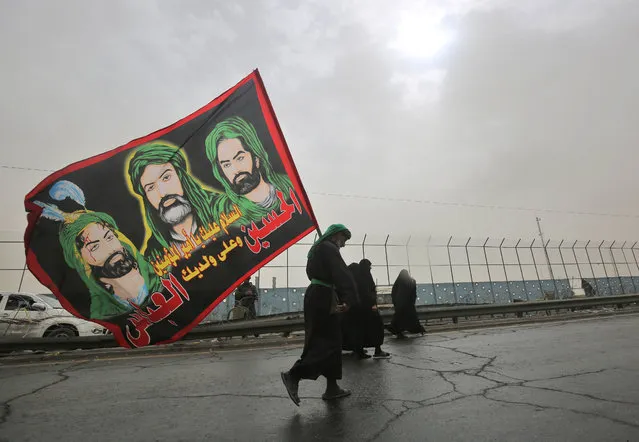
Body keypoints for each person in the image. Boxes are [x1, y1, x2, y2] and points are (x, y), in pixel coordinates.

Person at [280, 224, 359, 406]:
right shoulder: (328, 248)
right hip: (322, 297)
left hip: (318, 295)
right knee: (327, 342)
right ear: (336, 235)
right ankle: (294, 375)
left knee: (331, 340)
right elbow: (341, 273)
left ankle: (332, 388)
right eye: (344, 239)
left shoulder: (318, 249)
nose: (344, 245)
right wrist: (349, 298)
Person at [127, 141, 219, 259]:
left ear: (180, 176)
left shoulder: (224, 208)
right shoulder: (155, 254)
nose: (162, 193)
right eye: (151, 188)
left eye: (166, 177)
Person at [204, 116, 295, 225]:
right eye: (227, 165)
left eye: (240, 158)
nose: (236, 170)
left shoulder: (289, 186)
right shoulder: (229, 217)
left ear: (256, 158)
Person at [356, 259, 390, 358]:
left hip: (361, 309)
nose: (370, 268)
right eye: (369, 266)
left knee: (362, 329)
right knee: (377, 328)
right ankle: (378, 350)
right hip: (369, 308)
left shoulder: (358, 277)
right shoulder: (365, 278)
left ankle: (360, 351)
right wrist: (372, 304)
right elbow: (367, 292)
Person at [387, 269, 425, 338]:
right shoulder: (411, 282)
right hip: (409, 305)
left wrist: (396, 303)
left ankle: (398, 332)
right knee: (412, 319)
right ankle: (419, 330)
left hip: (401, 306)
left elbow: (394, 293)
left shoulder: (398, 282)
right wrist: (412, 302)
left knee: (399, 320)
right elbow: (413, 294)